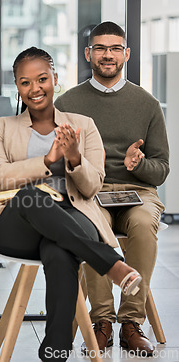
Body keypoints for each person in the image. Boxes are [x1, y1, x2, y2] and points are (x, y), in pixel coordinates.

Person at [0, 46, 143, 362]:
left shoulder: (84, 124)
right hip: (15, 224)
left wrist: (73, 157)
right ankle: (112, 264)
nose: (34, 88)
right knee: (33, 195)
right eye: (25, 82)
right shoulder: (1, 127)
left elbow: (93, 185)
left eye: (42, 79)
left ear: (55, 77)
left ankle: (55, 351)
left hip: (72, 215)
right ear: (17, 86)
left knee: (59, 251)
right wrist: (47, 159)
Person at [55, 21, 169, 356]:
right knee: (90, 224)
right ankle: (101, 321)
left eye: (115, 48)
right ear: (89, 53)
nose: (108, 55)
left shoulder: (146, 103)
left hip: (139, 192)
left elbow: (161, 169)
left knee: (145, 224)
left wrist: (140, 166)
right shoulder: (69, 103)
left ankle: (131, 323)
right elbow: (54, 163)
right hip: (91, 190)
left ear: (127, 54)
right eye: (101, 48)